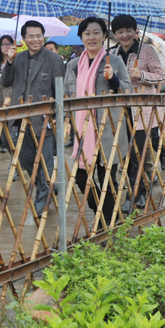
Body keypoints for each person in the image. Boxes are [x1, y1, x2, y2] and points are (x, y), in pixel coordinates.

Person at [64, 17, 132, 225]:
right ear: (81, 37)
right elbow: (68, 95)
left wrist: (114, 79)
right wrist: (67, 119)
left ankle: (107, 225)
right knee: (81, 178)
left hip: (107, 129)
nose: (91, 37)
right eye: (87, 33)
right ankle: (103, 216)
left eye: (96, 32)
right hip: (83, 131)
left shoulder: (115, 61)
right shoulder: (74, 65)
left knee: (106, 180)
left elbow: (128, 91)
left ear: (104, 36)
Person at [0, 20, 65, 218]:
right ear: (24, 38)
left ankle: (41, 201)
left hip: (43, 118)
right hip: (20, 117)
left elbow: (59, 90)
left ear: (43, 36)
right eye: (31, 36)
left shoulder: (54, 59)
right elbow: (5, 81)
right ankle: (46, 185)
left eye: (38, 35)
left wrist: (56, 114)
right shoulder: (17, 58)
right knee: (24, 157)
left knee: (44, 160)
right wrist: (9, 62)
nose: (35, 39)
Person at [110, 14, 165, 214]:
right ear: (115, 34)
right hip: (121, 110)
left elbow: (161, 75)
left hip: (143, 111)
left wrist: (141, 75)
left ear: (136, 32)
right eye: (119, 31)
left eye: (128, 30)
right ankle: (140, 190)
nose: (124, 35)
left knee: (138, 153)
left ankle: (135, 195)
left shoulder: (146, 51)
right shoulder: (113, 54)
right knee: (127, 153)